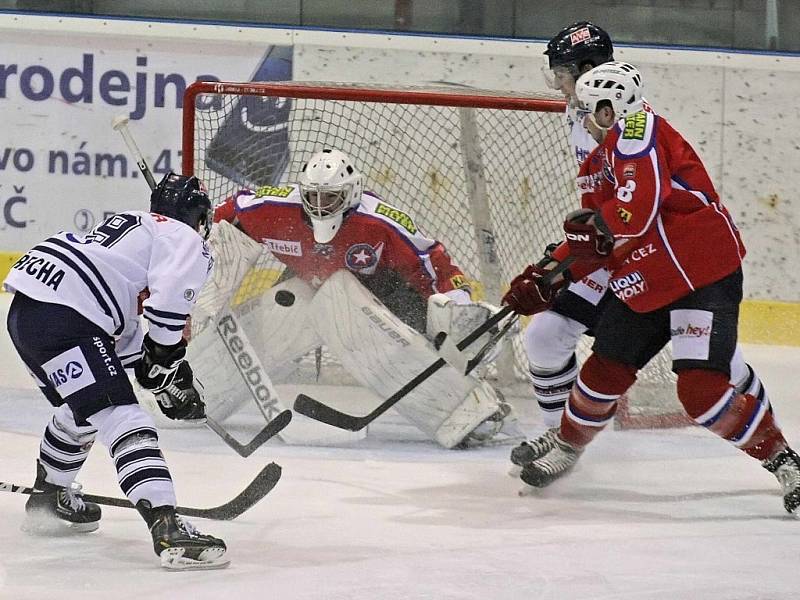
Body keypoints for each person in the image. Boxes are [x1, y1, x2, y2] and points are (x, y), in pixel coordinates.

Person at [502, 61, 800, 514]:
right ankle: (567, 446)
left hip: (700, 275)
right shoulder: (596, 164)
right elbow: (596, 242)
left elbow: (633, 214)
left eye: (587, 110)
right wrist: (546, 277)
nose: (580, 118)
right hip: (644, 282)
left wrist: (577, 251)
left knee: (701, 392)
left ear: (608, 109)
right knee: (603, 373)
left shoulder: (639, 130)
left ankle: (784, 461)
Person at [210, 148, 518, 449]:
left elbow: (434, 262)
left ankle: (472, 405)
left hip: (384, 293)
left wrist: (455, 310)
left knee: (411, 342)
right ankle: (201, 388)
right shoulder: (270, 209)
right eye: (312, 197)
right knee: (291, 300)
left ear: (351, 193)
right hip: (307, 284)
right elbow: (225, 217)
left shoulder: (380, 222)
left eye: (330, 197)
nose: (320, 206)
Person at [3, 173, 230, 568]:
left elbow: (128, 352)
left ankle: (49, 497)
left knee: (87, 405)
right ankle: (166, 524)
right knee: (120, 413)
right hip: (71, 312)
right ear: (199, 218)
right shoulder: (185, 238)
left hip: (30, 313)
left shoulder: (130, 231)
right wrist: (166, 358)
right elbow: (167, 313)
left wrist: (167, 376)